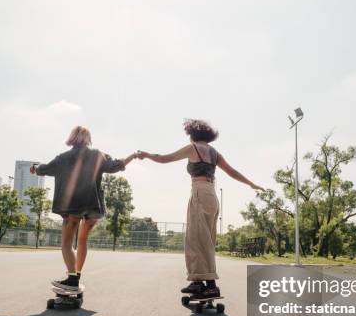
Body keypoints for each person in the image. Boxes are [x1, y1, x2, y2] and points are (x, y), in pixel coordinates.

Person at [137, 119, 264, 299]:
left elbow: (165, 158)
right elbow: (232, 172)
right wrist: (251, 184)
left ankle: (211, 286)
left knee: (197, 240)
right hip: (212, 196)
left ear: (192, 135)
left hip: (200, 193)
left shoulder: (193, 148)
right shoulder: (214, 152)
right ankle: (197, 283)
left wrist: (147, 154)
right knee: (204, 239)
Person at [31, 125, 137, 291]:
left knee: (66, 243)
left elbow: (42, 169)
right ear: (88, 139)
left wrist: (35, 167)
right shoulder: (97, 155)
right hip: (93, 206)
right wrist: (134, 155)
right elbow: (116, 165)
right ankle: (76, 275)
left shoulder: (62, 158)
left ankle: (72, 279)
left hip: (73, 206)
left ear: (72, 138)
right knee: (81, 240)